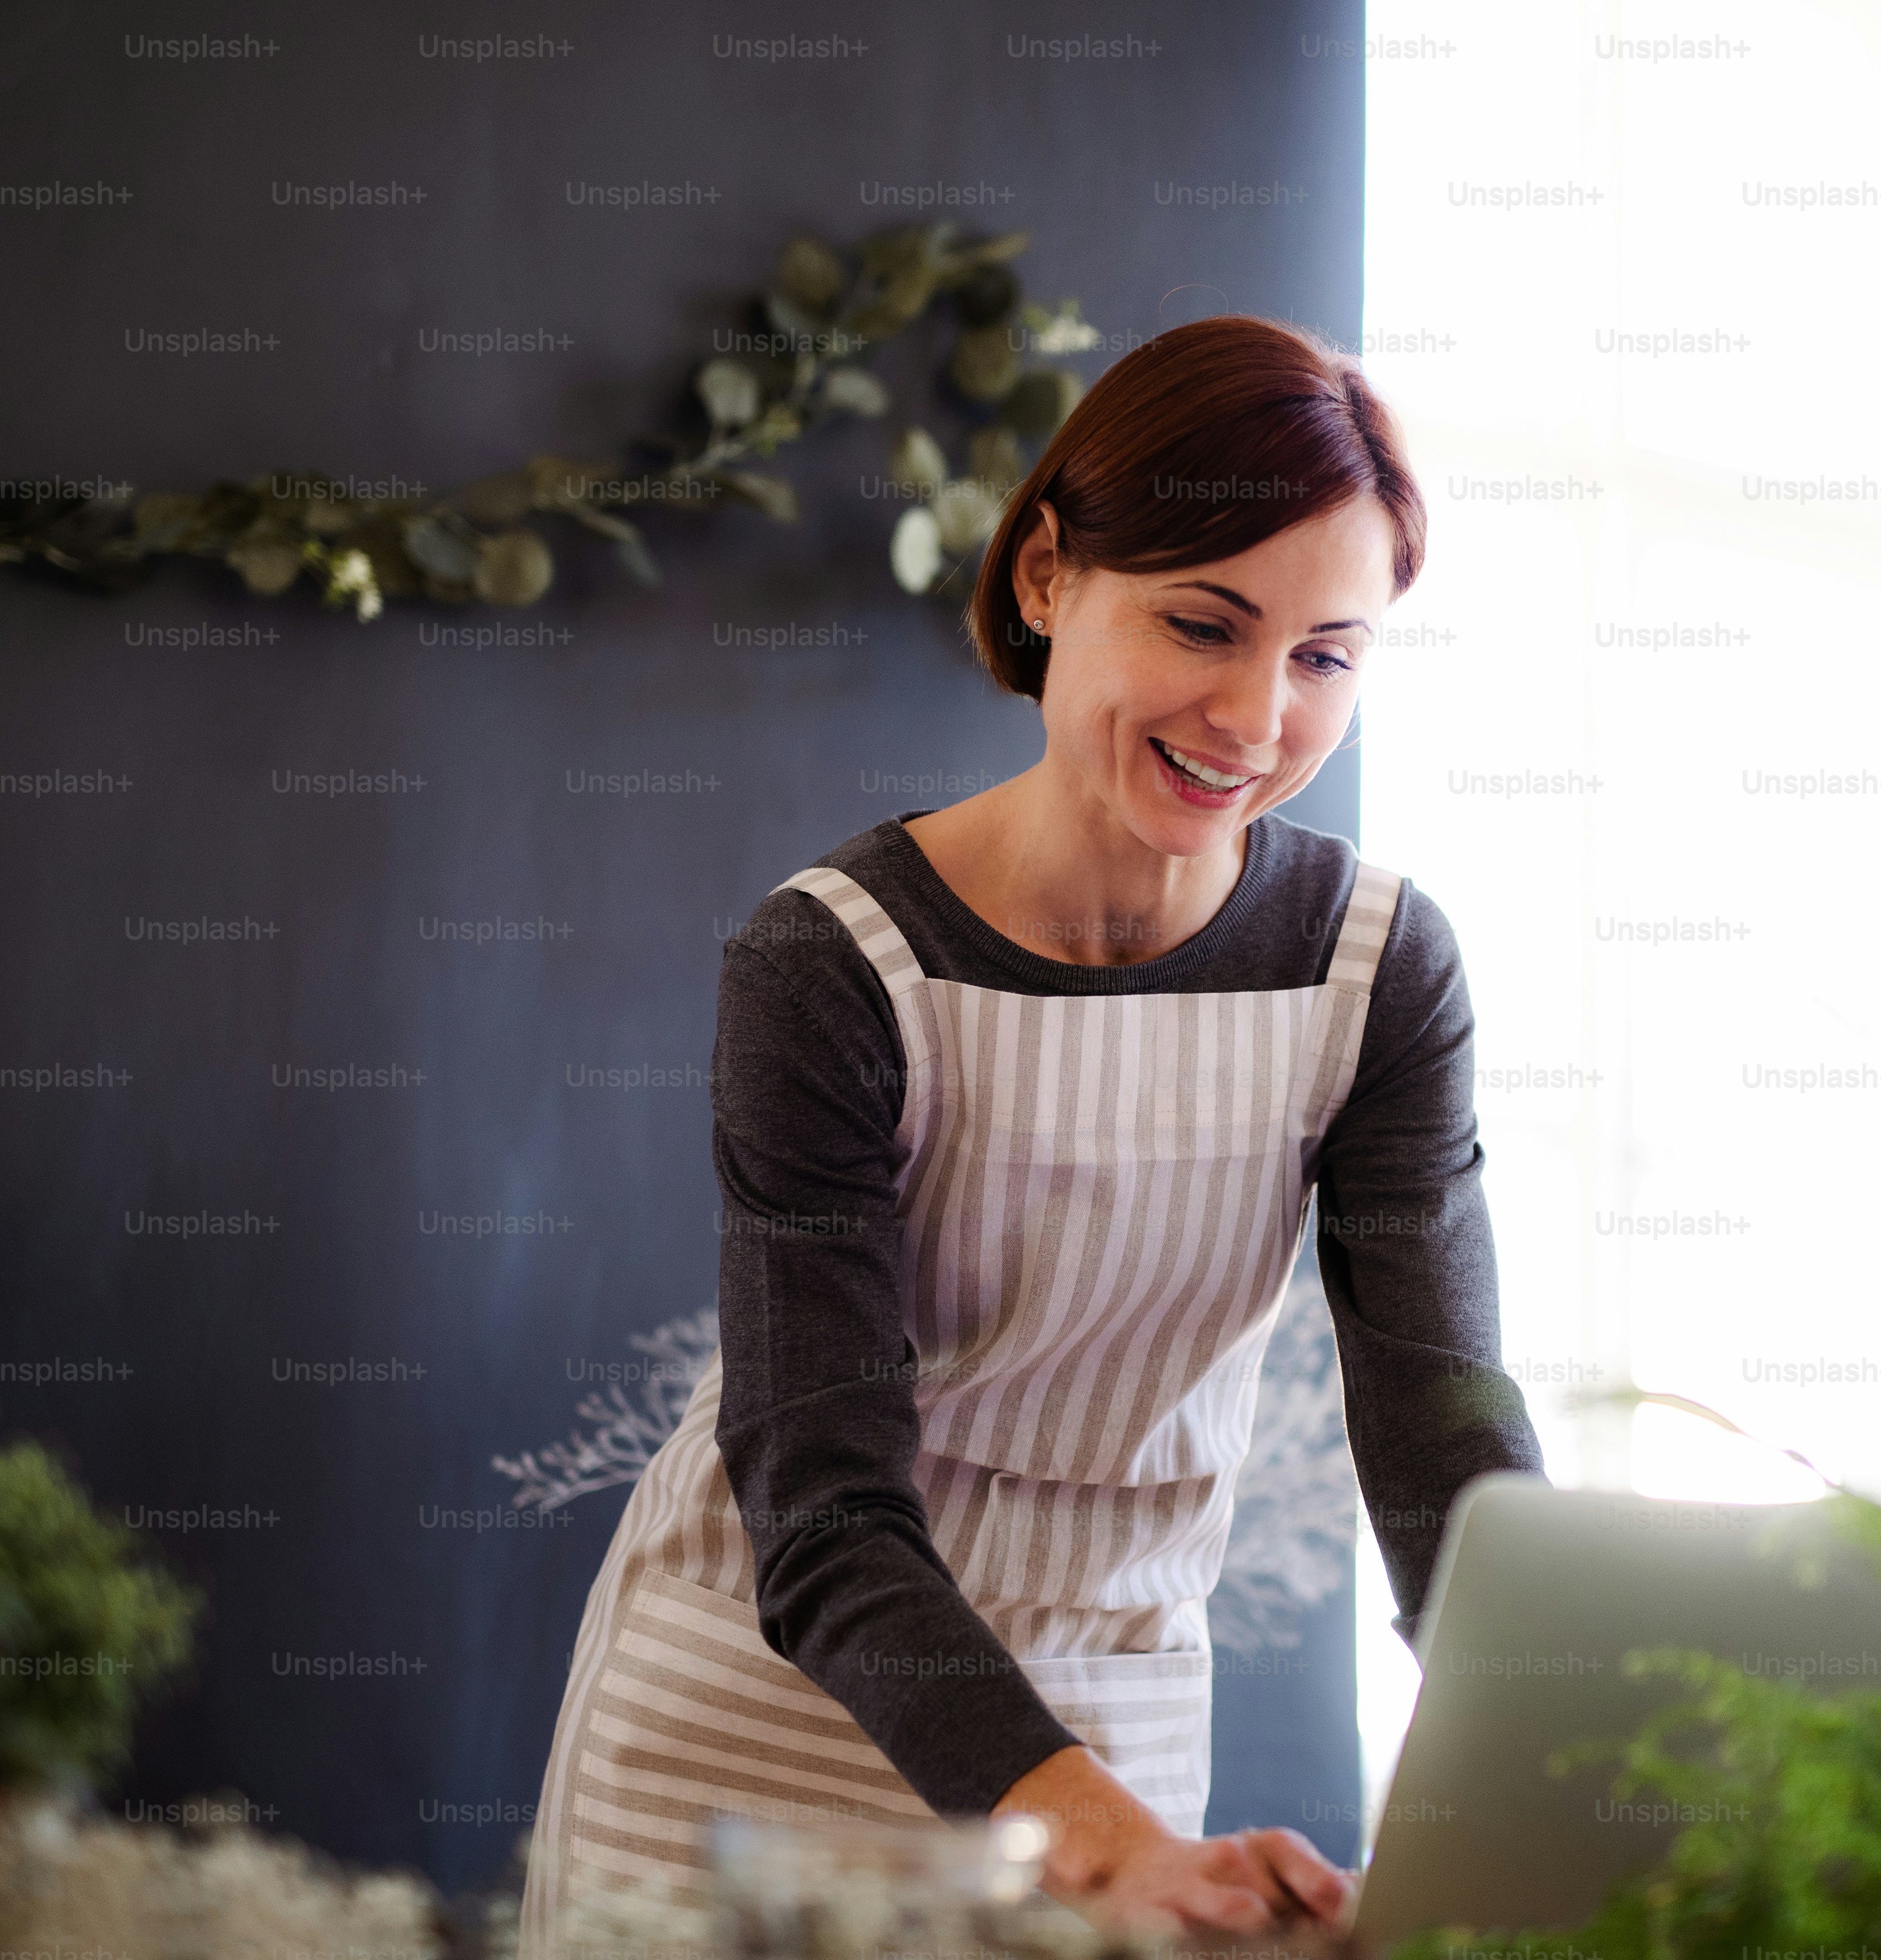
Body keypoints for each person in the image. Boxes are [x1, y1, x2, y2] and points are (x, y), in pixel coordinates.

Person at [521, 314, 1542, 1951]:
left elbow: (1444, 1451)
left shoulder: (1378, 971)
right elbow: (828, 1511)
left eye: (1327, 655)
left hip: (1118, 1718)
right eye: (1203, 625)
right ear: (1051, 574)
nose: (1257, 714)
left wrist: (1579, 1762)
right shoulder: (837, 963)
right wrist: (1099, 1839)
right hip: (751, 1722)